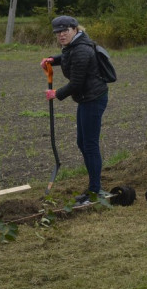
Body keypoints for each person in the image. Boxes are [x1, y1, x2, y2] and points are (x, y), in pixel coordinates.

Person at [41, 15, 109, 203]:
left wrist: (57, 93)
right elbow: (66, 56)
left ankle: (95, 191)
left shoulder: (81, 50)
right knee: (83, 142)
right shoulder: (75, 45)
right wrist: (52, 59)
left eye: (65, 31)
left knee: (89, 144)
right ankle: (94, 186)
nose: (61, 35)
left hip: (93, 99)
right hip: (86, 98)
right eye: (58, 32)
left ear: (75, 29)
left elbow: (77, 83)